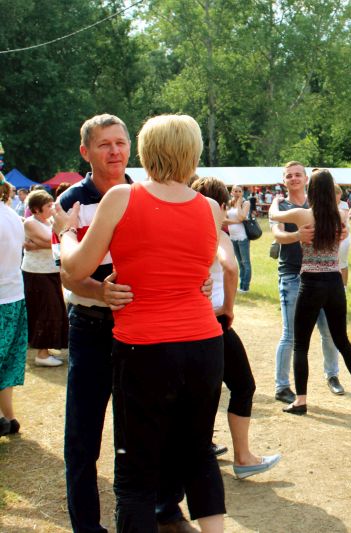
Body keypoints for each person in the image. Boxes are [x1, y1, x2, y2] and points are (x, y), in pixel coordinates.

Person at [54, 114, 226, 532]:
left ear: (141, 149)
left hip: (143, 340)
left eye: (122, 142)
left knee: (136, 461)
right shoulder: (209, 207)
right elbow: (197, 269)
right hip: (183, 338)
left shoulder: (126, 196)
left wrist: (66, 234)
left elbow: (76, 266)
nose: (115, 151)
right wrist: (102, 292)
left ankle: (165, 509)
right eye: (105, 144)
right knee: (191, 451)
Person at [191, 177, 281, 478]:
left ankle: (202, 447)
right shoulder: (216, 234)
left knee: (201, 389)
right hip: (213, 321)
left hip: (188, 321)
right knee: (242, 385)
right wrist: (228, 307)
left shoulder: (183, 233)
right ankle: (243, 457)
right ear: (220, 205)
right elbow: (230, 267)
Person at [269, 169, 351, 414]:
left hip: (311, 283)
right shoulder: (341, 214)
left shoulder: (302, 214)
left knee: (300, 345)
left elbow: (273, 215)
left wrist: (276, 201)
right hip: (334, 282)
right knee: (341, 339)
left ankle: (300, 401)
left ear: (311, 190)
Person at [271, 161, 343, 404]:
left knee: (329, 331)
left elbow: (339, 227)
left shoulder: (318, 203)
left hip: (321, 276)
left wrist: (342, 232)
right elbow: (277, 234)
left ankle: (332, 375)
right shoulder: (282, 205)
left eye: (298, 175)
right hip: (292, 274)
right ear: (284, 180)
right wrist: (296, 235)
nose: (294, 179)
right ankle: (282, 386)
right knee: (291, 334)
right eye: (289, 176)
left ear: (305, 178)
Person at [22, 189, 68, 366]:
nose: (52, 208)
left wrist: (39, 244)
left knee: (54, 309)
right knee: (47, 310)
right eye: (48, 206)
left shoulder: (49, 221)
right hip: (36, 273)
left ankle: (47, 348)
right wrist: (54, 241)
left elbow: (55, 240)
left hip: (50, 271)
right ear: (36, 209)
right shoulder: (30, 222)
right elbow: (54, 240)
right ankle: (41, 354)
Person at [0, 176, 26, 437]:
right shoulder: (11, 215)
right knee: (7, 361)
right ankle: (9, 417)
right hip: (14, 295)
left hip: (3, 297)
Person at [224, 185, 252, 293]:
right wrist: (236, 222)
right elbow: (224, 220)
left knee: (246, 262)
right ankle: (241, 286)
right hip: (232, 237)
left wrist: (239, 204)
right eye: (235, 191)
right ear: (231, 192)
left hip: (242, 236)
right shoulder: (229, 203)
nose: (237, 193)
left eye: (240, 191)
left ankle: (245, 287)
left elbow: (241, 217)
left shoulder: (246, 203)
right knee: (239, 263)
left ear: (242, 193)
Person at [334, 184, 350, 287]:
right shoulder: (326, 205)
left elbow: (342, 219)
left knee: (343, 262)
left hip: (343, 236)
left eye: (337, 193)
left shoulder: (344, 205)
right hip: (331, 236)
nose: (336, 196)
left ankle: (344, 286)